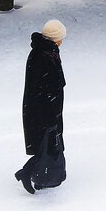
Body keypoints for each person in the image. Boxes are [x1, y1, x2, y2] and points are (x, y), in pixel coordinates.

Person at [15, 19, 67, 193]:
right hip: (44, 110)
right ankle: (29, 173)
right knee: (47, 144)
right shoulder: (45, 55)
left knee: (47, 144)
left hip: (44, 107)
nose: (63, 41)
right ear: (55, 38)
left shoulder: (45, 51)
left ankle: (41, 178)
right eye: (61, 37)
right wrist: (52, 113)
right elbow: (46, 86)